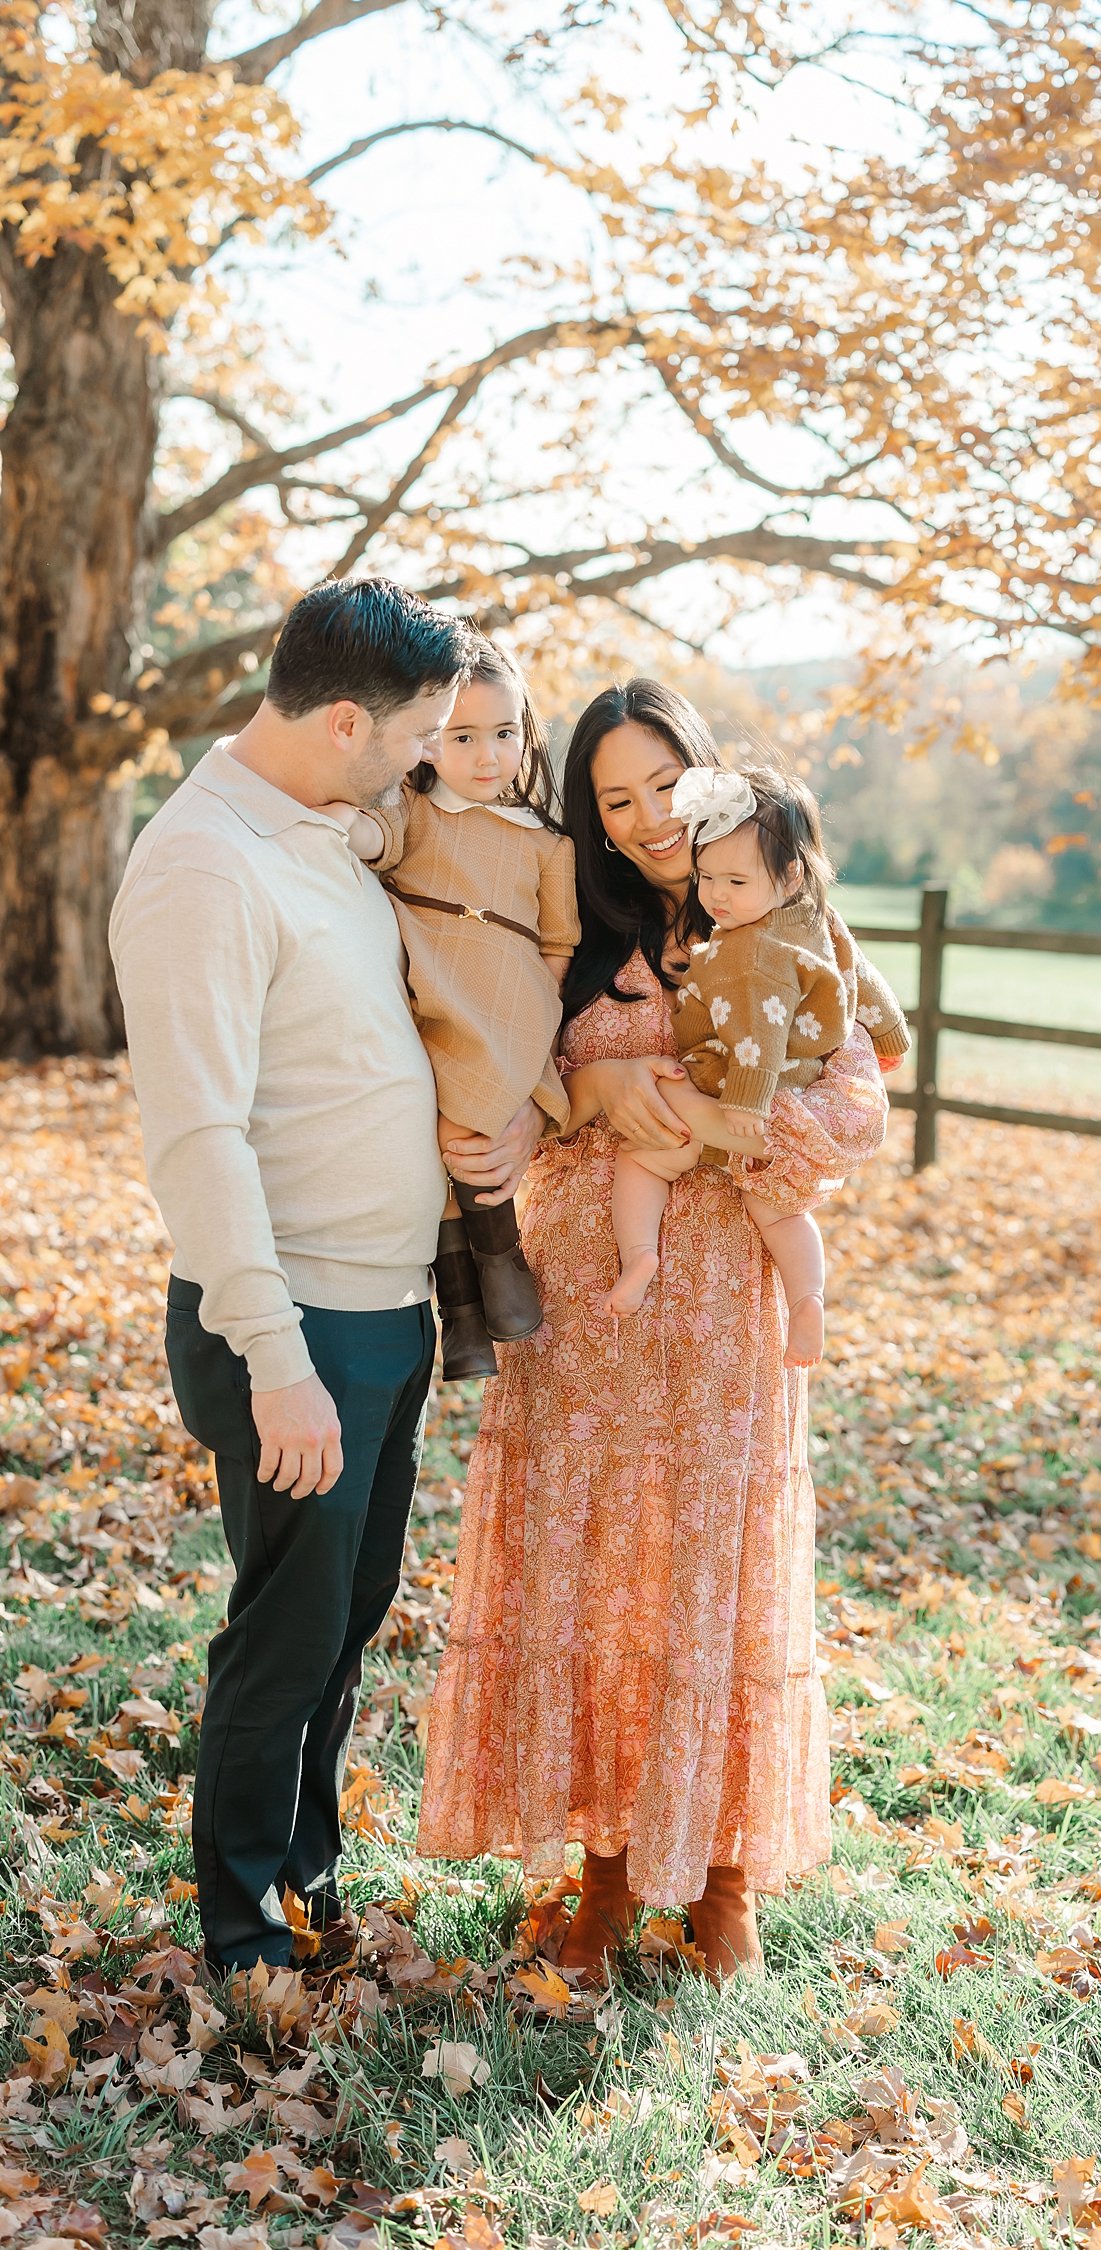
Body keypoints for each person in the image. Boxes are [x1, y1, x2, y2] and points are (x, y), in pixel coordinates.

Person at [418, 678, 891, 1981]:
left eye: (663, 784)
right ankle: (610, 1869)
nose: (646, 820)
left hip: (726, 1287)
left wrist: (733, 1137)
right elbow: (515, 1073)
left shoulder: (783, 901)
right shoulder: (573, 921)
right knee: (596, 1572)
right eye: (613, 800)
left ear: (708, 769)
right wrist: (590, 1087)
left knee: (712, 1570)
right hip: (592, 1293)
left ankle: (724, 1873)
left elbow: (861, 1097)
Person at [109, 578, 477, 1974]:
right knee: (286, 1632)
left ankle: (310, 1870)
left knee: (347, 1617)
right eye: (418, 731)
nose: (428, 756)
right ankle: (241, 1917)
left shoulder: (326, 827)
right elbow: (197, 1135)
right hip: (295, 1326)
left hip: (383, 1310)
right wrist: (278, 1361)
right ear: (341, 719)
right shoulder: (206, 866)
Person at [608, 762, 908, 1371]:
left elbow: (758, 1034)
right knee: (779, 1211)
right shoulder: (819, 920)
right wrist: (890, 1034)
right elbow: (861, 978)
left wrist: (742, 1103)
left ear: (789, 872)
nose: (716, 896)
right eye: (708, 877)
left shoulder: (750, 951)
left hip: (732, 1089)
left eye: (735, 881)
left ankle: (639, 1252)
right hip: (791, 1090)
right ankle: (807, 1297)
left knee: (641, 1160)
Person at [336, 632, 578, 1379]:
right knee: (442, 1125)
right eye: (463, 736)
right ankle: (465, 1306)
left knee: (475, 1109)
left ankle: (494, 1270)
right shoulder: (417, 811)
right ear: (431, 743)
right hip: (431, 996)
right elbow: (375, 840)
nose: (487, 757)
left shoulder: (546, 842)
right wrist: (347, 823)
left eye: (504, 735)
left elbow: (559, 943)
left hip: (510, 1001)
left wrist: (536, 1012)